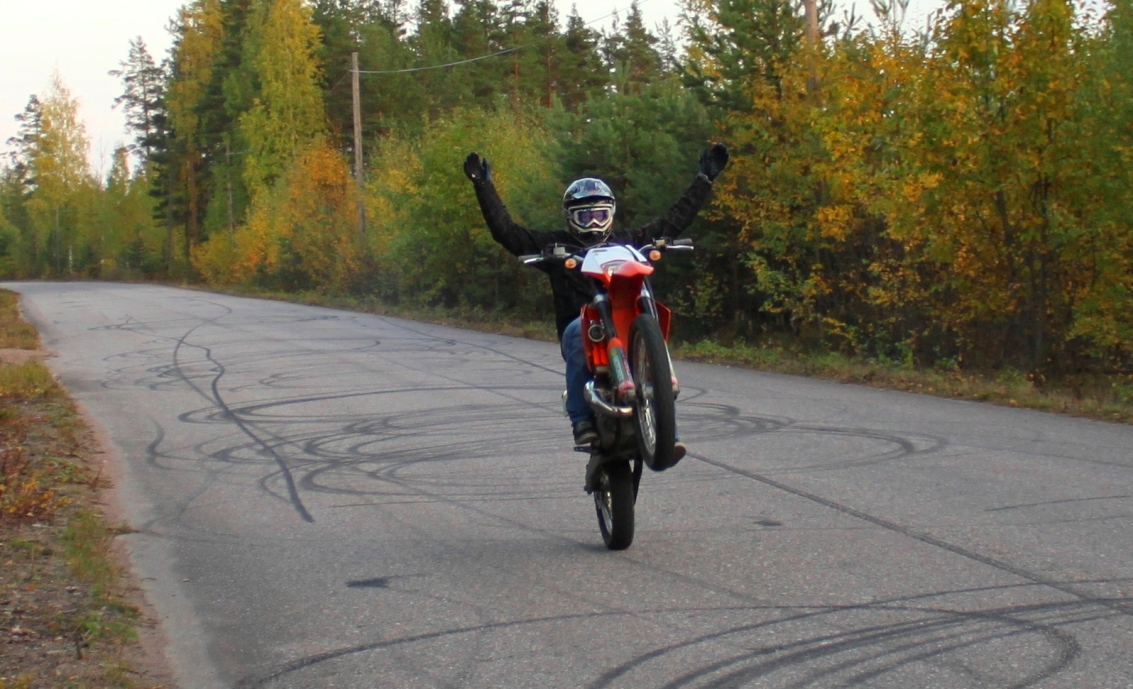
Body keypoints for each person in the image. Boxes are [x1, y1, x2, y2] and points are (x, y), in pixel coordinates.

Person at [463, 144, 729, 454]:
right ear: (570, 217)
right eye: (585, 216)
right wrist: (484, 187)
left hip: (627, 322)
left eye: (600, 215)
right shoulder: (557, 245)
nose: (593, 223)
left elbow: (672, 221)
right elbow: (507, 232)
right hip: (582, 328)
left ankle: (669, 431)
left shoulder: (628, 241)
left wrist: (704, 180)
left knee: (653, 334)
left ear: (611, 214)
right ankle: (582, 422)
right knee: (579, 332)